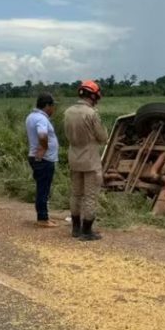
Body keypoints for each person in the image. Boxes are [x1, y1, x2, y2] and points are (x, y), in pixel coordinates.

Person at [63, 79, 108, 241]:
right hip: (90, 160)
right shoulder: (91, 114)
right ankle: (87, 231)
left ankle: (75, 228)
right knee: (90, 196)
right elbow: (103, 137)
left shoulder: (68, 112)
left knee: (76, 194)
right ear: (93, 96)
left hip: (74, 157)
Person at [26, 93, 60, 227]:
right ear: (47, 106)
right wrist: (43, 148)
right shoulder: (41, 119)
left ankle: (43, 216)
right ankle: (43, 218)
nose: (53, 109)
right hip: (44, 159)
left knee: (42, 187)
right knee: (43, 189)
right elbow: (42, 134)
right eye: (52, 106)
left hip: (37, 157)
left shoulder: (31, 116)